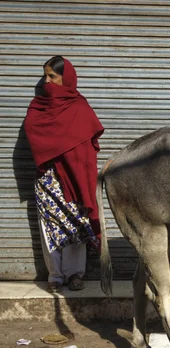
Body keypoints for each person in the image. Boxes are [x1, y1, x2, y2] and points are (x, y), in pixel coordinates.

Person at [24, 56, 104, 292]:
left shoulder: (79, 107)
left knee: (75, 226)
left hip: (74, 177)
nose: (47, 82)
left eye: (53, 76)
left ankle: (75, 274)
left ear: (66, 78)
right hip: (48, 180)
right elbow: (33, 132)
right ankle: (55, 275)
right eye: (45, 76)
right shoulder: (38, 106)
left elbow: (87, 147)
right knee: (50, 227)